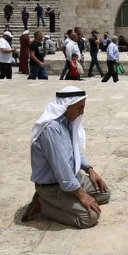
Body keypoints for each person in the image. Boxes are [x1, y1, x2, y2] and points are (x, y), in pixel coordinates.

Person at [21, 87, 111, 228]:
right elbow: (62, 169)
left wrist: (90, 169)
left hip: (72, 178)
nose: (82, 112)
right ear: (66, 106)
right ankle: (43, 204)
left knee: (104, 193)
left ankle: (57, 200)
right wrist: (82, 195)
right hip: (54, 186)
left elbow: (74, 151)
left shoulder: (67, 121)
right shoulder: (52, 129)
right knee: (89, 218)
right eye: (79, 108)